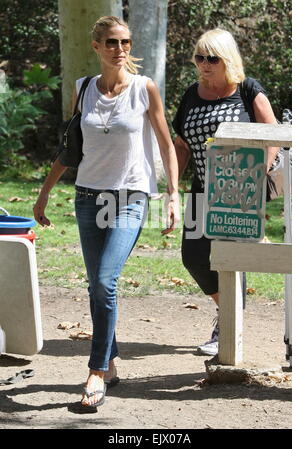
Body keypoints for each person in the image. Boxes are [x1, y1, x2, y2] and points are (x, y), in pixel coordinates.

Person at [33, 16, 179, 409]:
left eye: (126, 42)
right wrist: (44, 193)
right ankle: (111, 363)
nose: (121, 49)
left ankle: (96, 371)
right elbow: (71, 146)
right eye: (112, 42)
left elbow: (166, 145)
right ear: (96, 46)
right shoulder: (83, 89)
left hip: (130, 197)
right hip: (86, 197)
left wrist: (172, 194)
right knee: (97, 284)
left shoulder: (144, 89)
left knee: (104, 281)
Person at [172, 28, 278, 357]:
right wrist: (171, 185)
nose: (204, 64)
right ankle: (228, 311)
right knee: (193, 257)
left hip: (238, 190)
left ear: (226, 59)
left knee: (230, 259)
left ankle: (227, 329)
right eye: (199, 57)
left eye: (212, 58)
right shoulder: (192, 93)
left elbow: (272, 134)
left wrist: (258, 175)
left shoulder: (247, 89)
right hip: (202, 187)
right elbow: (182, 144)